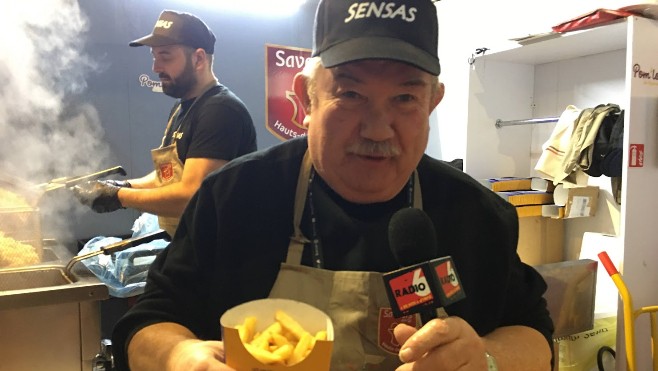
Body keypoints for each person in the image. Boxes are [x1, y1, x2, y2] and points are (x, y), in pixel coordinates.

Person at [112, 0, 555, 370]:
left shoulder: (475, 213)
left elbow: (535, 333)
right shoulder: (234, 197)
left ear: (432, 102)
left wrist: (489, 360)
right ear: (307, 97)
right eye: (351, 94)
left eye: (405, 98)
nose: (379, 129)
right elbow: (148, 322)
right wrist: (178, 354)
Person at [72, 10, 257, 238]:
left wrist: (119, 197)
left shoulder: (220, 110)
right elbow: (169, 176)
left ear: (198, 59)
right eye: (154, 56)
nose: (156, 67)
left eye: (166, 56)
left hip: (220, 255)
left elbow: (191, 195)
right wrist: (122, 187)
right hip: (189, 244)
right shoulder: (182, 108)